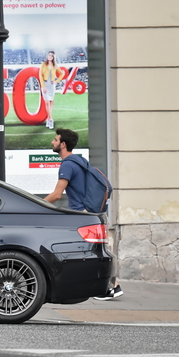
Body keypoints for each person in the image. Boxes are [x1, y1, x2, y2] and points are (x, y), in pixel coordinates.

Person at [44, 128, 123, 300]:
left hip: (82, 214)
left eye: (55, 139)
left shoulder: (67, 165)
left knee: (90, 253)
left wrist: (39, 205)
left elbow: (57, 194)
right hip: (90, 212)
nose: (52, 142)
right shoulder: (80, 161)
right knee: (95, 251)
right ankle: (112, 286)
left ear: (63, 144)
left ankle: (111, 287)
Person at [39, 51, 65, 129]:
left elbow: (62, 74)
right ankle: (51, 120)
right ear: (47, 56)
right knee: (47, 102)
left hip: (52, 85)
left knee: (50, 102)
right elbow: (40, 75)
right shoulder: (43, 64)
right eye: (49, 55)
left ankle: (48, 119)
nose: (50, 56)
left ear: (54, 57)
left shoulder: (55, 65)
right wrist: (43, 86)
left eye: (52, 56)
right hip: (45, 84)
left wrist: (56, 81)